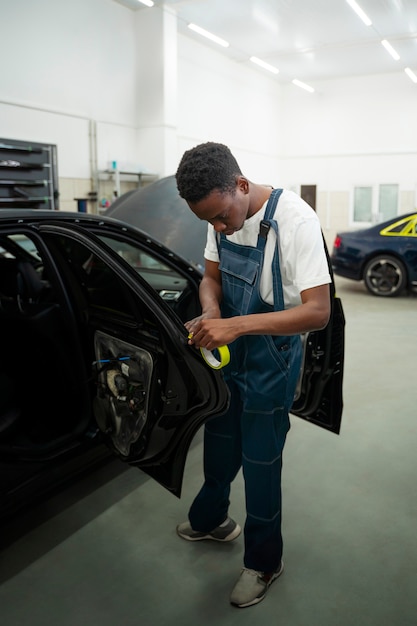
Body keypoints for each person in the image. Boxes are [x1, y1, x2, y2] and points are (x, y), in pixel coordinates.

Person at [174, 142, 331, 608]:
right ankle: (212, 519)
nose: (219, 228)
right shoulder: (217, 214)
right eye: (210, 222)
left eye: (222, 217)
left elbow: (318, 312)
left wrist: (235, 325)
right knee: (221, 441)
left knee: (261, 462)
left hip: (272, 359)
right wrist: (208, 313)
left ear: (241, 185)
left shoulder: (297, 221)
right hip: (230, 353)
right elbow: (211, 279)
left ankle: (264, 561)